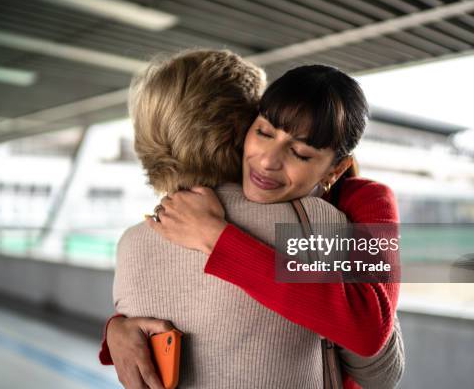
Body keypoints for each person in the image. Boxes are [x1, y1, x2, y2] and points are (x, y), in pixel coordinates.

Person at [100, 51, 404, 388]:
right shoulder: (317, 219)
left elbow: (370, 331)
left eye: (301, 153)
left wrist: (218, 238)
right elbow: (382, 371)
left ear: (336, 169)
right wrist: (117, 330)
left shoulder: (362, 202)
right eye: (263, 132)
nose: (268, 161)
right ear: (242, 126)